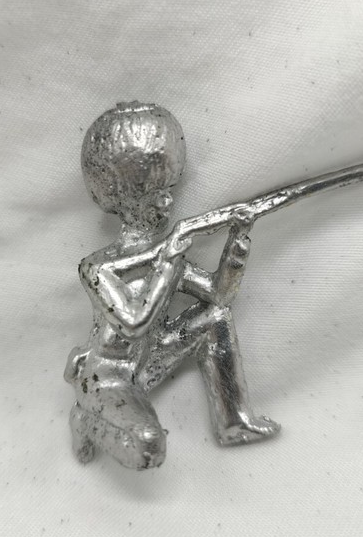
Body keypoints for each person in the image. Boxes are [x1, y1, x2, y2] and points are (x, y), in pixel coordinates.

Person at [65, 101, 280, 470]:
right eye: (152, 193)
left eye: (169, 188)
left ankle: (233, 421)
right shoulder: (96, 267)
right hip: (110, 377)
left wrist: (238, 242)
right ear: (121, 199)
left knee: (215, 317)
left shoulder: (168, 255)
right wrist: (168, 263)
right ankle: (86, 418)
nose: (167, 200)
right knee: (147, 447)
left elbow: (219, 296)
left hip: (154, 359)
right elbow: (134, 322)